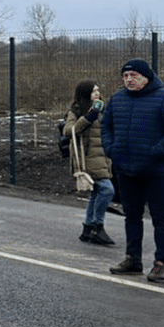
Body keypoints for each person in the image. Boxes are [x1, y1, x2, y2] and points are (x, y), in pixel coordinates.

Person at [102, 58, 164, 283]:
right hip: (126, 169)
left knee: (161, 218)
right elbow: (106, 127)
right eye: (125, 76)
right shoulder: (117, 99)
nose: (129, 79)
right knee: (131, 216)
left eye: (134, 75)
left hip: (156, 171)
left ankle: (162, 264)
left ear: (146, 77)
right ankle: (133, 259)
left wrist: (156, 151)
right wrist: (112, 149)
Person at [64, 81, 114, 245]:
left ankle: (88, 229)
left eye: (98, 90)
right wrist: (87, 118)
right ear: (85, 94)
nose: (97, 94)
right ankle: (97, 227)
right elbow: (69, 130)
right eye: (93, 92)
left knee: (96, 192)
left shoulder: (103, 110)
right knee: (107, 190)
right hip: (87, 159)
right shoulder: (76, 111)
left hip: (103, 158)